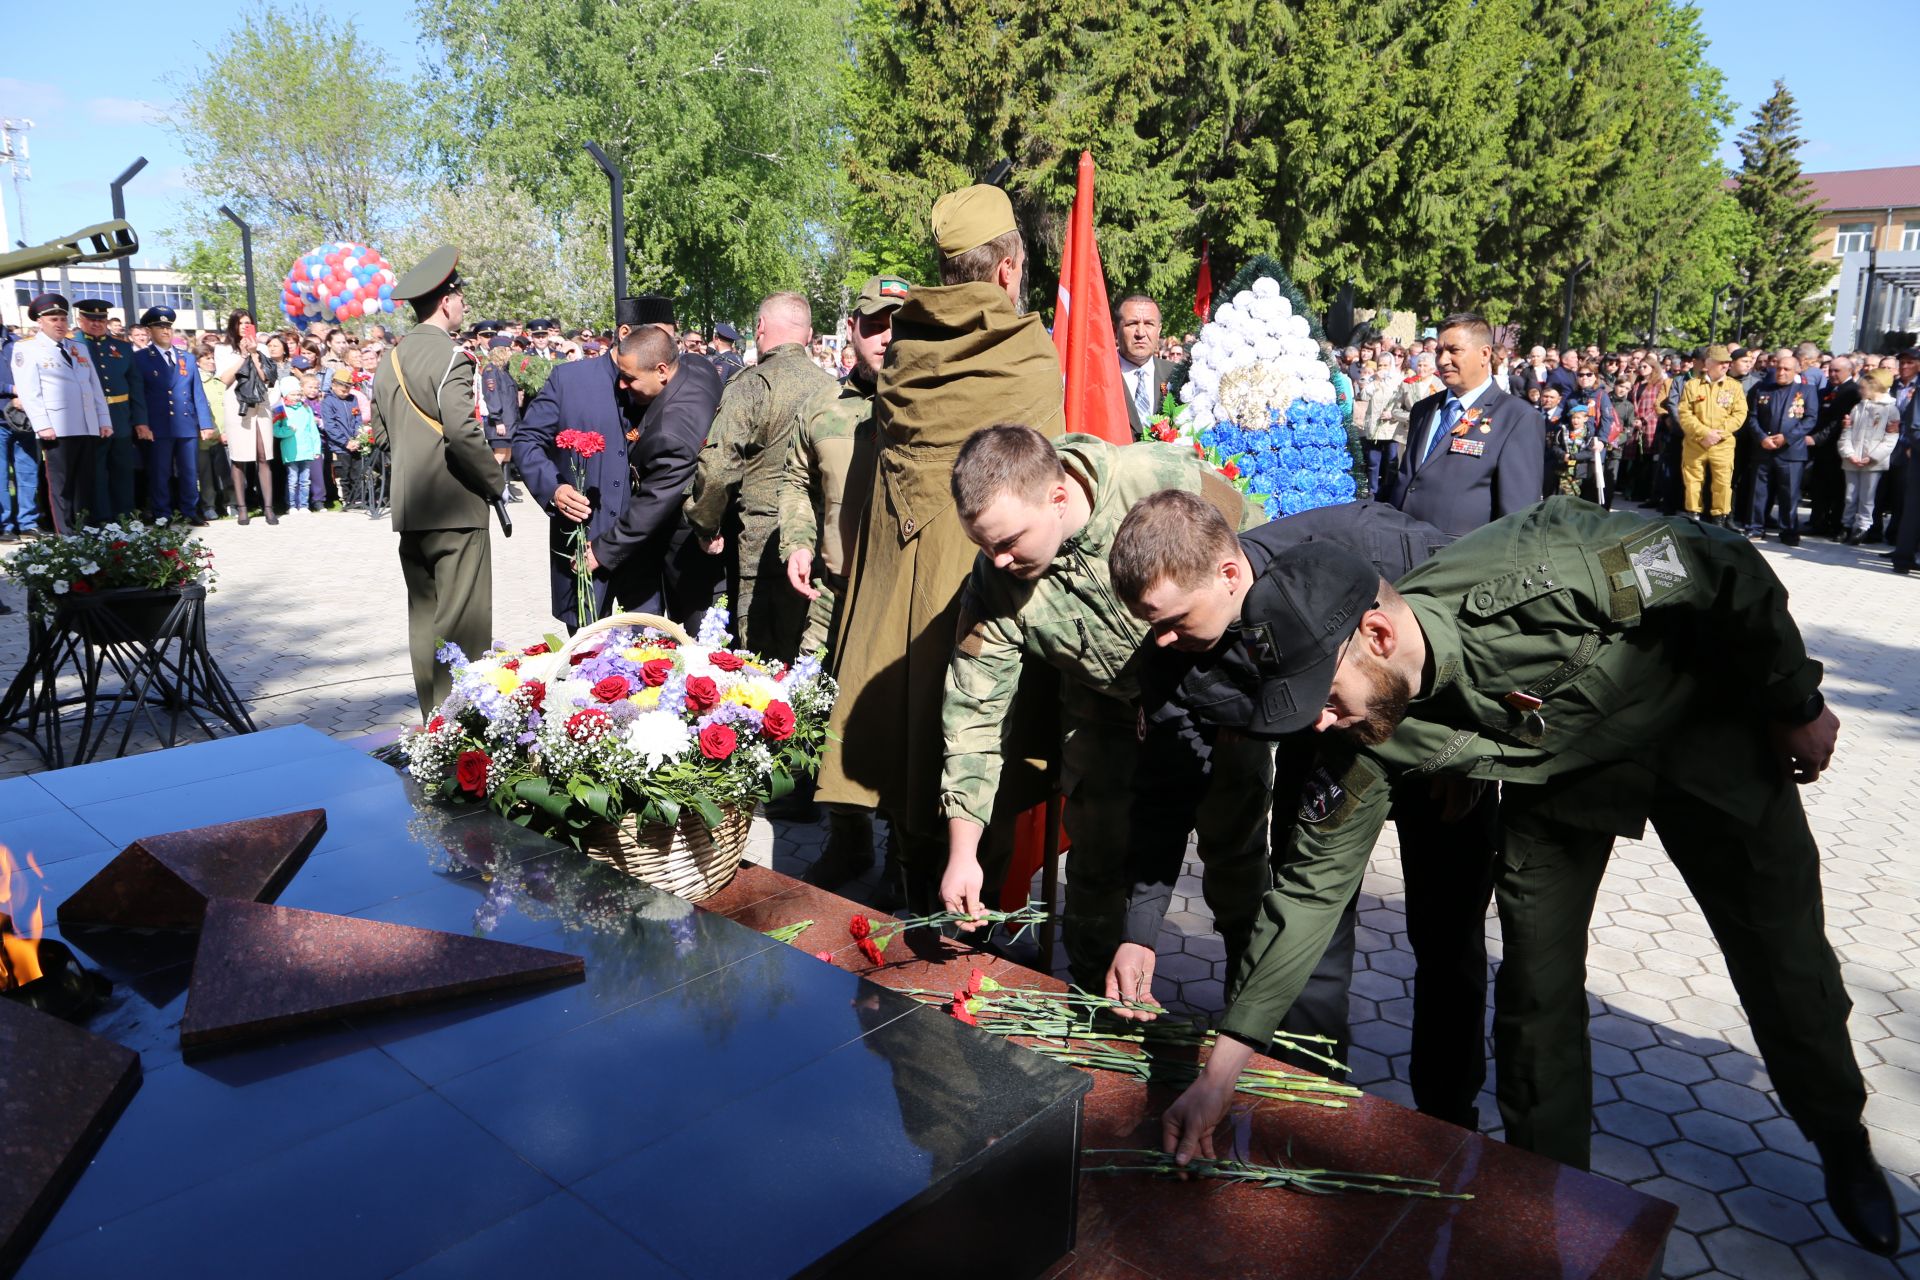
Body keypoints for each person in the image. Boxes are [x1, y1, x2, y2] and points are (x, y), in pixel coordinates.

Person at [1133, 495, 1900, 1259]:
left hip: (1701, 732)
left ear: (1377, 634)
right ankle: (1557, 1197)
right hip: (1564, 779)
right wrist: (1224, 1066)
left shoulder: (1546, 576)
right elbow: (1306, 892)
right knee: (1537, 992)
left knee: (1782, 955)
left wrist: (1794, 697)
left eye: (1325, 700)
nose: (1322, 727)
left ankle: (1839, 1135)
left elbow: (1717, 562)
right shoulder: (1361, 732)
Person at [1108, 490, 1495, 1117]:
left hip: (1437, 749)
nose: (1164, 638)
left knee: (1448, 939)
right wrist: (1142, 931)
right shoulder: (1171, 655)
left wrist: (1466, 746)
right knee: (1307, 926)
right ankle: (1305, 1101)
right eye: (1154, 624)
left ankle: (1447, 1123)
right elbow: (1165, 790)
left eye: (1175, 619)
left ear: (1230, 574)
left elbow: (1463, 618)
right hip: (1320, 758)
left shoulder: (1359, 543)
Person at [935, 425, 1271, 996]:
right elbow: (973, 713)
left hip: (1219, 704)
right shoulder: (996, 581)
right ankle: (1098, 1014)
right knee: (1094, 874)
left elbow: (1259, 566)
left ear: (1059, 497)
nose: (998, 558)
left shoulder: (1158, 479)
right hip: (1105, 718)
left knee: (1236, 863)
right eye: (984, 545)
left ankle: (1252, 1023)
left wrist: (1254, 693)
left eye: (1011, 540)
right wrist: (963, 854)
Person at [817, 182, 1065, 914]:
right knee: (976, 736)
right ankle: (963, 925)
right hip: (984, 580)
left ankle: (913, 881)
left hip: (900, 583)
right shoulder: (1025, 352)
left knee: (909, 737)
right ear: (1008, 269)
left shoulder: (905, 349)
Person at [778, 275, 905, 888]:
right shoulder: (823, 410)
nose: (886, 337)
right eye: (873, 324)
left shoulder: (929, 407)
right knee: (825, 714)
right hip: (836, 591)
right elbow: (797, 484)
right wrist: (797, 543)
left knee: (908, 719)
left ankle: (906, 855)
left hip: (905, 595)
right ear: (850, 332)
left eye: (897, 324)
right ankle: (849, 840)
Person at [369, 246, 505, 715]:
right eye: (461, 297)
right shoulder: (452, 357)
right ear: (446, 302)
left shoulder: (391, 359)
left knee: (424, 622)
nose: (464, 305)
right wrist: (495, 481)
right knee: (463, 627)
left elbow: (382, 436)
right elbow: (464, 433)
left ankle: (432, 723)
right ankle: (459, 734)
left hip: (411, 509)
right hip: (456, 508)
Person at [684, 292, 838, 658]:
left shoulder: (753, 385)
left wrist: (705, 524)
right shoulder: (834, 390)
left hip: (760, 551)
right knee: (809, 666)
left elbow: (719, 468)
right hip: (820, 548)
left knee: (762, 679)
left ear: (760, 328)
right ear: (809, 333)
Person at [1389, 312, 1544, 539]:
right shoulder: (1423, 410)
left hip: (1460, 560)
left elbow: (1517, 517)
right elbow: (1408, 480)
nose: (1442, 360)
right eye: (1439, 351)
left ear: (1484, 354)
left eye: (1454, 350)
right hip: (1400, 548)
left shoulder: (1517, 418)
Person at [10, 294, 114, 534]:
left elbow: (93, 386)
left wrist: (103, 419)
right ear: (40, 321)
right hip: (57, 426)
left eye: (63, 319)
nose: (60, 324)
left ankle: (85, 529)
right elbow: (29, 391)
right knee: (61, 484)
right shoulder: (27, 348)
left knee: (85, 482)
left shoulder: (77, 347)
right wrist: (42, 425)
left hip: (86, 425)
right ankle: (65, 533)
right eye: (54, 319)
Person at [130, 308, 213, 526]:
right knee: (160, 472)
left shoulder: (186, 357)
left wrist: (205, 423)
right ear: (149, 331)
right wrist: (141, 423)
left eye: (168, 327)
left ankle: (190, 510)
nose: (165, 331)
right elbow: (137, 394)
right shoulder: (140, 358)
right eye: (160, 327)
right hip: (158, 424)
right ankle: (162, 513)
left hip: (185, 423)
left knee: (189, 471)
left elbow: (197, 392)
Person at [73, 298, 146, 520]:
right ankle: (101, 518)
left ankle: (124, 517)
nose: (96, 324)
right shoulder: (73, 345)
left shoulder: (121, 347)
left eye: (101, 319)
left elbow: (135, 385)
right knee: (96, 472)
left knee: (123, 469)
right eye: (91, 319)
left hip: (120, 416)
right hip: (89, 418)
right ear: (80, 319)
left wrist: (141, 420)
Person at [1745, 348, 1818, 546]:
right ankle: (1755, 527)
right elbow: (1752, 418)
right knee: (1759, 492)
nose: (1781, 372)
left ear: (1796, 371)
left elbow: (1810, 419)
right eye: (1779, 368)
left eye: (1786, 369)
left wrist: (1787, 437)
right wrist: (1761, 438)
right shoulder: (1762, 389)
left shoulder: (1807, 391)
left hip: (1791, 451)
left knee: (1789, 494)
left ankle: (1788, 531)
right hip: (1764, 449)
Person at [214, 311, 278, 526]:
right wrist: (242, 356)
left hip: (260, 403)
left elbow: (266, 377)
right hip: (237, 404)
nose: (244, 327)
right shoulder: (222, 349)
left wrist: (253, 354)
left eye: (248, 323)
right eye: (240, 323)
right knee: (239, 457)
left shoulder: (261, 347)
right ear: (233, 325)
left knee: (263, 454)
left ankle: (268, 508)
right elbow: (225, 378)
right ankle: (242, 508)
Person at [1675, 343, 1744, 529]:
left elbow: (1739, 415)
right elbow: (1684, 413)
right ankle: (1693, 515)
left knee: (1722, 483)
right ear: (1709, 363)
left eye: (1728, 363)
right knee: (1693, 481)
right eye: (1721, 362)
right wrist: (1704, 433)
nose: (1726, 366)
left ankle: (1719, 519)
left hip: (1722, 444)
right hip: (1696, 442)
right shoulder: (1692, 385)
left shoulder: (1734, 387)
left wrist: (1717, 434)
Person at [1838, 368, 1898, 545]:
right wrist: (1848, 453)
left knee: (1867, 497)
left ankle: (1863, 527)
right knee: (1850, 495)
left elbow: (1890, 438)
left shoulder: (1890, 410)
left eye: (1863, 388)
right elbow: (1847, 431)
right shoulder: (1858, 407)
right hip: (1852, 460)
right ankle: (1846, 525)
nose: (1860, 391)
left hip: (1873, 463)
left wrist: (1872, 457)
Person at [1, 319, 44, 544]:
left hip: (24, 419)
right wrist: (10, 390)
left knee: (28, 472)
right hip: (1, 418)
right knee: (0, 477)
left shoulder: (20, 343)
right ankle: (4, 525)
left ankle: (28, 522)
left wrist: (26, 394)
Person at [1807, 355, 1858, 538]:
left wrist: (1817, 439)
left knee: (1837, 490)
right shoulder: (1828, 390)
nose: (1832, 374)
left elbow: (1838, 422)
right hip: (1822, 450)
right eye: (1830, 370)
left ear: (1850, 371)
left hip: (1839, 449)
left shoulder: (1853, 392)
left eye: (1837, 371)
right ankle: (1818, 522)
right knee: (1819, 487)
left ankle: (1835, 525)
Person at [1116, 294, 1175, 436]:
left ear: (1159, 330)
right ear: (1116, 328)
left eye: (1149, 324)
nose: (1141, 333)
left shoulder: (1177, 376)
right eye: (1132, 323)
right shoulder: (1098, 377)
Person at [479, 335, 523, 503]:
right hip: (501, 423)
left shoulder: (503, 371)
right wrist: (498, 421)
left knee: (507, 455)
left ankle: (505, 489)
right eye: (509, 349)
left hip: (510, 421)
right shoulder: (491, 371)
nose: (511, 352)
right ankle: (488, 489)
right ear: (501, 351)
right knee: (498, 456)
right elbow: (492, 397)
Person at [271, 373, 322, 512]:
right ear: (285, 395)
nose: (297, 398)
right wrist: (288, 431)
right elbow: (276, 431)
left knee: (305, 480)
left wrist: (316, 449)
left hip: (306, 450)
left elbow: (313, 429)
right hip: (291, 451)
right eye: (293, 395)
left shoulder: (306, 408)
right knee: (292, 480)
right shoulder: (280, 410)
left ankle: (304, 505)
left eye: (298, 394)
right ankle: (291, 505)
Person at [194, 348, 235, 519]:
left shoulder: (219, 382)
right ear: (198, 362)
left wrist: (226, 432)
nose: (211, 361)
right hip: (204, 437)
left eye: (213, 358)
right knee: (206, 475)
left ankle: (232, 503)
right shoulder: (196, 383)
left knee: (227, 472)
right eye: (206, 358)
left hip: (224, 436)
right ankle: (208, 506)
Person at [319, 366, 364, 512]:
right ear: (333, 385)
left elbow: (358, 418)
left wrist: (358, 437)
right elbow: (330, 426)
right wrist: (345, 442)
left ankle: (358, 499)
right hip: (339, 446)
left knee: (357, 473)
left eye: (348, 388)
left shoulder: (353, 399)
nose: (345, 392)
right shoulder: (328, 402)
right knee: (343, 474)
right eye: (342, 389)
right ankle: (346, 500)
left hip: (355, 443)